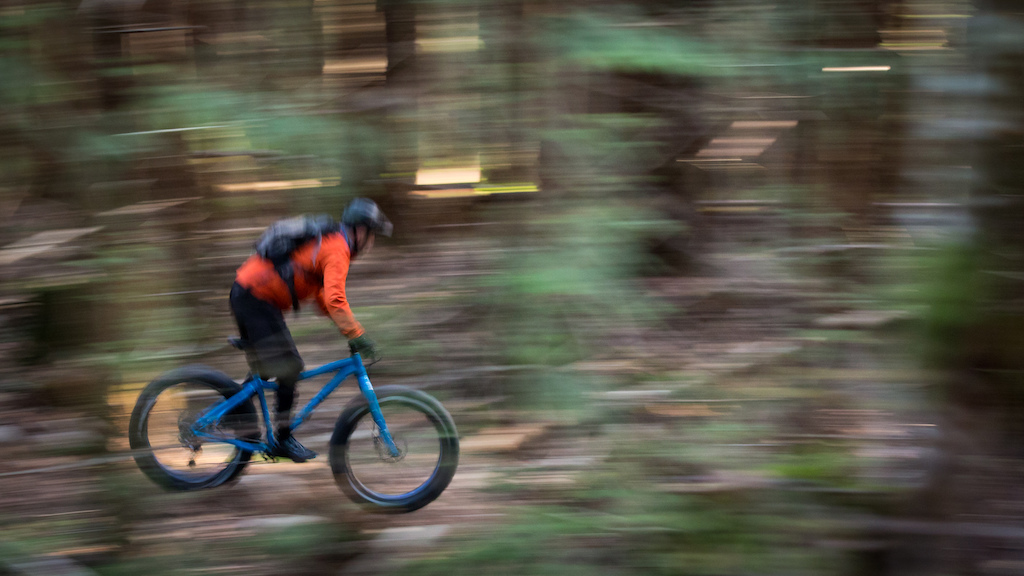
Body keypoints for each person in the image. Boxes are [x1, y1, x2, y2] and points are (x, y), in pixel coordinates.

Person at [229, 198, 393, 462]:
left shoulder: (330, 242)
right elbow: (335, 300)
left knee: (271, 368)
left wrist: (349, 332)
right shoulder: (338, 248)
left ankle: (234, 413)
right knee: (290, 366)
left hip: (250, 295)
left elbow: (323, 297)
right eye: (371, 234)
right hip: (254, 297)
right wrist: (357, 334)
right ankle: (282, 439)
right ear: (360, 230)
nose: (371, 243)